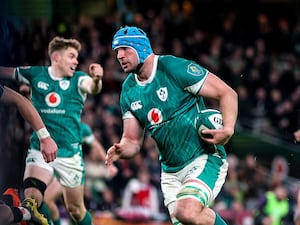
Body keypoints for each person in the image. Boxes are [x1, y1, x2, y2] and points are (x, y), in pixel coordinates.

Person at [105, 26, 238, 225]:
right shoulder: (128, 91)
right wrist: (122, 149)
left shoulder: (172, 67)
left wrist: (227, 129)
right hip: (170, 173)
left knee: (187, 212)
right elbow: (132, 140)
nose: (119, 56)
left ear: (140, 48)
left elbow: (227, 93)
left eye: (124, 49)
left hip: (203, 158)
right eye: (116, 52)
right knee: (187, 219)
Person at [0, 36, 104, 225]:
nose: (76, 61)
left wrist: (97, 78)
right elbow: (5, 72)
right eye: (72, 56)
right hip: (41, 147)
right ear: (56, 57)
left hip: (70, 153)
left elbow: (93, 88)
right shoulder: (35, 74)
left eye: (77, 57)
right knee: (33, 196)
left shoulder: (79, 80)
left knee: (76, 211)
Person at [0, 84, 58, 225]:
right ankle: (24, 212)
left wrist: (44, 137)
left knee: (47, 201)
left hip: (52, 159)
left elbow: (19, 100)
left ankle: (24, 211)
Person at [44, 122, 118, 225]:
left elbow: (95, 145)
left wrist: (109, 164)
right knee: (73, 210)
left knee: (47, 199)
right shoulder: (52, 122)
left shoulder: (80, 127)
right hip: (54, 168)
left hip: (69, 170)